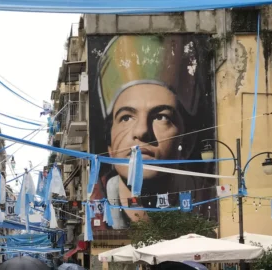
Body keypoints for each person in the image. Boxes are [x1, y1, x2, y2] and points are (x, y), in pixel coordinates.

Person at [90, 35, 215, 228]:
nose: (142, 131)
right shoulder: (97, 210)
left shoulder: (207, 201)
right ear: (110, 147)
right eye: (126, 117)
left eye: (161, 117)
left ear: (187, 143)